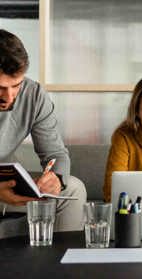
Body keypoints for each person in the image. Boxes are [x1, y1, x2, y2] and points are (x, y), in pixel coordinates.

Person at [0, 29, 86, 233]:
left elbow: (56, 154)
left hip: (6, 184)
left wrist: (55, 178)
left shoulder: (34, 95)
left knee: (73, 187)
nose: (10, 96)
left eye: (16, 85)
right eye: (1, 87)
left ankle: (59, 264)